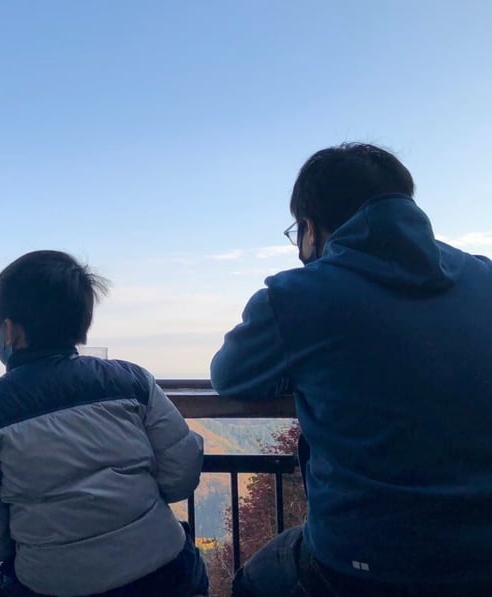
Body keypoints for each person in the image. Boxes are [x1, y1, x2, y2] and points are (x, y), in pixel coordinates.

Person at [211, 143, 492, 596]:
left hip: (367, 558)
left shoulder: (297, 296)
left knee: (255, 581)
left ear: (309, 229)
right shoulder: (485, 277)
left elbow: (231, 375)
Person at [0, 250, 208, 597]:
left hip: (49, 583)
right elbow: (182, 470)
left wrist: (28, 545)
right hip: (163, 574)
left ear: (9, 330)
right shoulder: (133, 382)